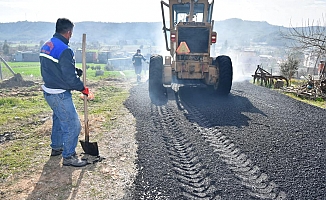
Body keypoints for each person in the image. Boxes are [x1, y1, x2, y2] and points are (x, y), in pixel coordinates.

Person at [39, 18, 90, 167]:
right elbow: (69, 79)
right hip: (59, 94)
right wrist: (82, 88)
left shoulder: (47, 45)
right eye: (72, 33)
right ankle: (69, 156)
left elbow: (54, 68)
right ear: (68, 32)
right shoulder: (65, 50)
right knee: (73, 125)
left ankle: (57, 147)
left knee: (59, 119)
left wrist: (74, 71)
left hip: (49, 91)